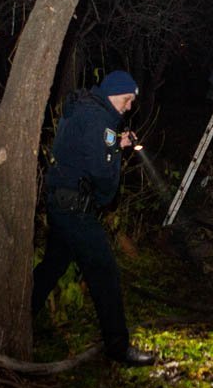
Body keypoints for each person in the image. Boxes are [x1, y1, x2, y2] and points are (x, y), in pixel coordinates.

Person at [31, 70, 156, 367]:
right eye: (127, 100)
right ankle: (118, 346)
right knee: (105, 274)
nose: (128, 107)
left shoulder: (86, 109)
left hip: (61, 205)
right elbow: (101, 173)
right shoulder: (99, 120)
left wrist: (115, 144)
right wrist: (102, 199)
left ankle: (19, 317)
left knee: (53, 265)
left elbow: (89, 150)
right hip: (75, 210)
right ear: (114, 93)